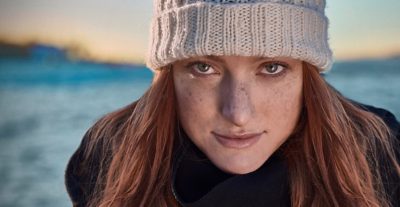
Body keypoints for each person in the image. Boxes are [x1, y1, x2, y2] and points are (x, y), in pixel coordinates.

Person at [65, 0, 400, 206]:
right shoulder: (111, 162)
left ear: (306, 74)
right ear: (168, 74)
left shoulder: (379, 158)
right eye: (204, 67)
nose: (238, 113)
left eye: (271, 67)